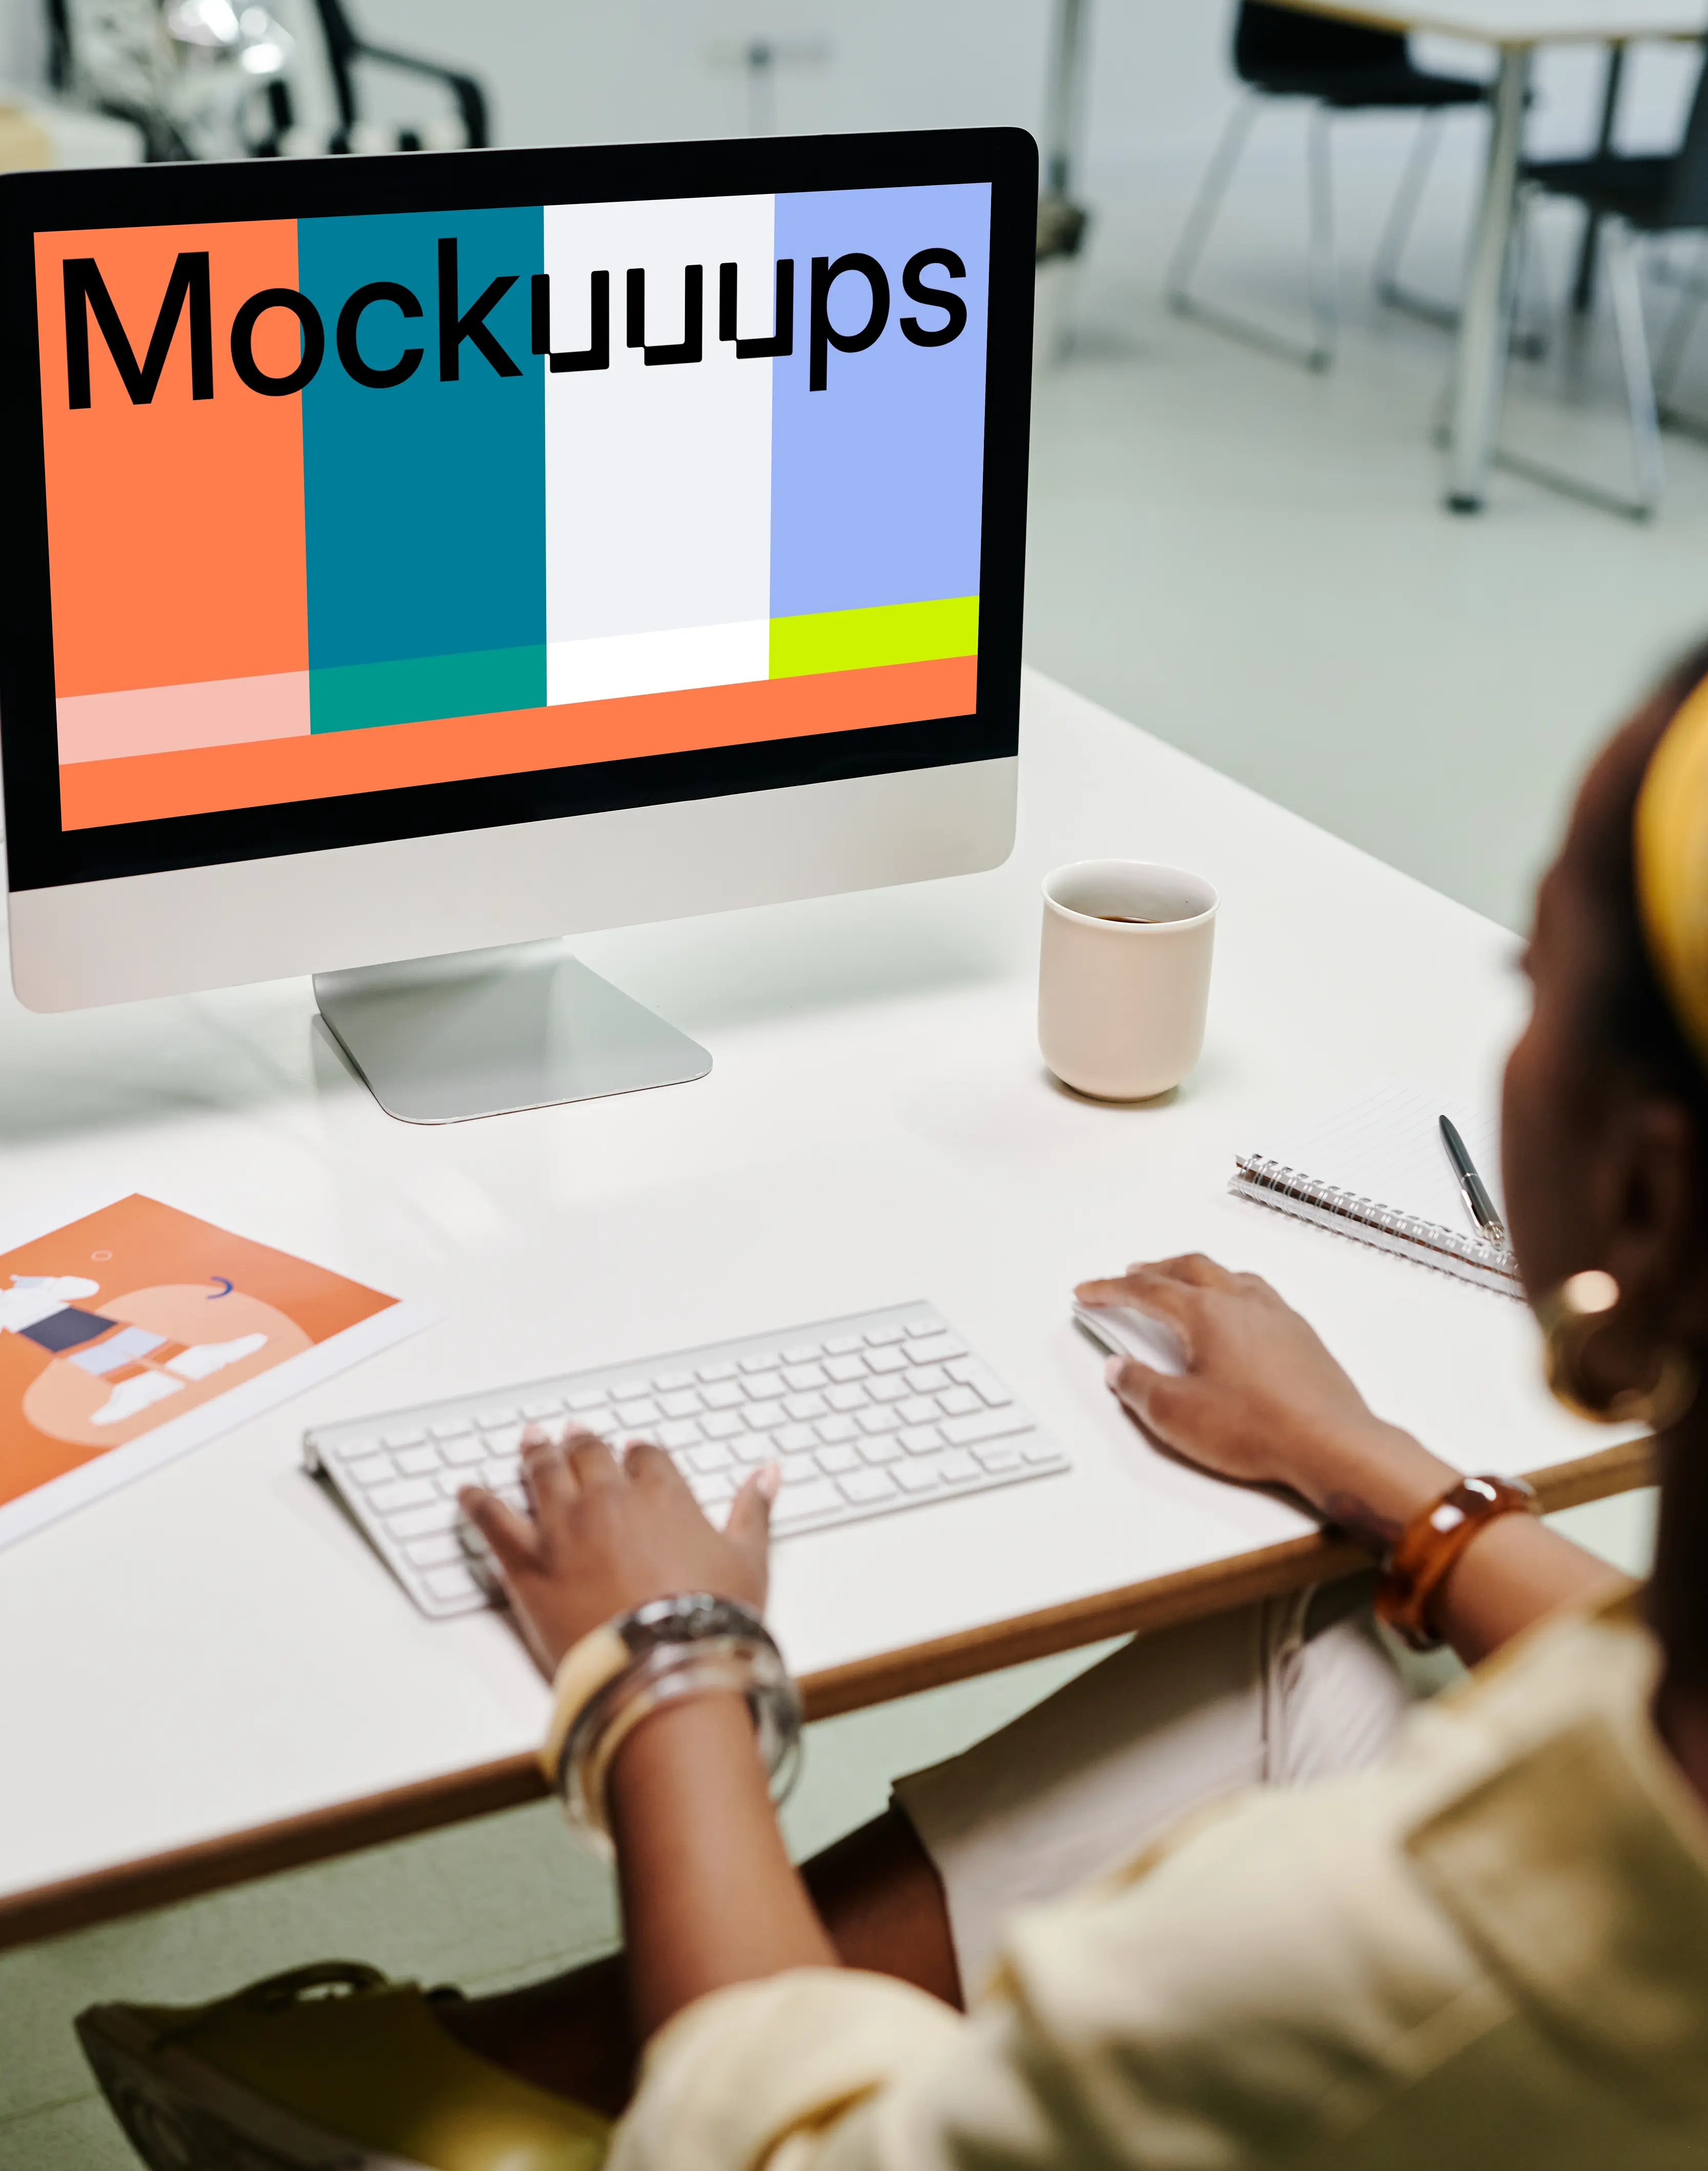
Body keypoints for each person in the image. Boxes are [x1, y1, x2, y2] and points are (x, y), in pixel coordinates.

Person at [79, 646, 1708, 2169]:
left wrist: (666, 1665)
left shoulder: (1434, 1966)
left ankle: (554, 2090)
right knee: (1304, 1640)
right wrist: (1370, 1465)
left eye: (1530, 977)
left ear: (1641, 1192)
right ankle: (536, 2062)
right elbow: (1643, 1676)